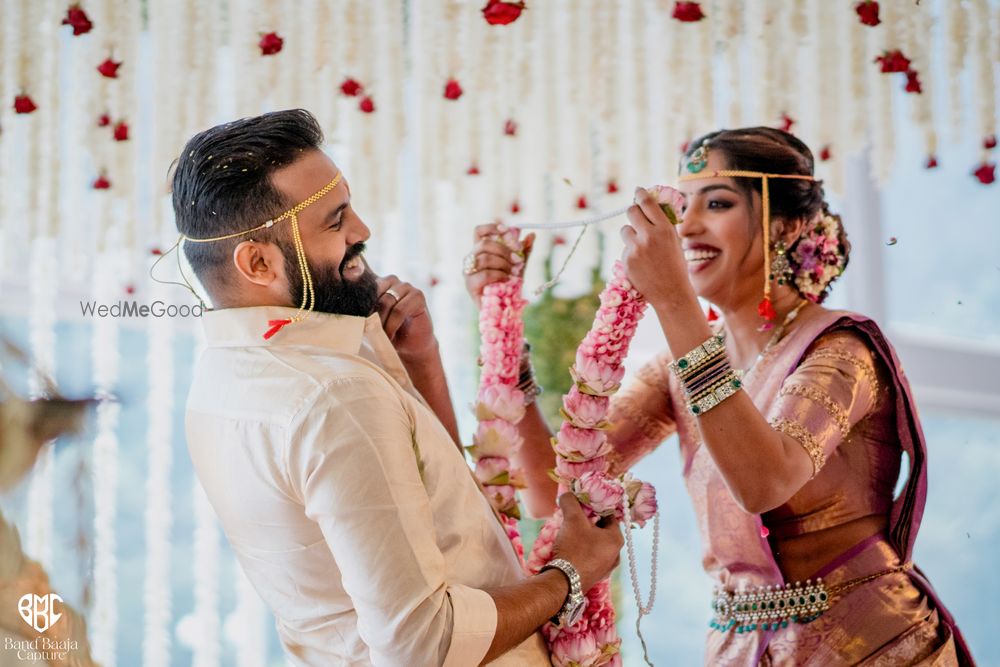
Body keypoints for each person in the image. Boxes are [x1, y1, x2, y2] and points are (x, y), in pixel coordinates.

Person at [464, 127, 974, 665]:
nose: (686, 225)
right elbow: (556, 491)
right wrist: (502, 324)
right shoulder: (678, 368)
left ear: (787, 224)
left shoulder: (841, 349)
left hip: (870, 643)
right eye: (683, 206)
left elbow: (765, 482)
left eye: (718, 203)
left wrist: (673, 301)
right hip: (738, 648)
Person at [173, 109, 623, 666]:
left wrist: (421, 363)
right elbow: (422, 645)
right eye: (336, 222)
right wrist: (569, 575)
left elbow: (446, 528)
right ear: (258, 261)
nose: (362, 231)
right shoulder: (333, 395)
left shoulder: (223, 377)